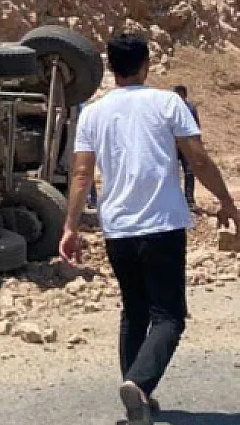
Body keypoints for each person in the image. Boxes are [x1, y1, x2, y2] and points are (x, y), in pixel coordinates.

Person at [59, 32, 237, 425]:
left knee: (134, 311)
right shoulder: (168, 102)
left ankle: (137, 393)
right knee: (170, 315)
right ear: (146, 64)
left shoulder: (93, 112)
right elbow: (199, 160)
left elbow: (82, 174)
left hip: (118, 228)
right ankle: (138, 383)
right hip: (162, 224)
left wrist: (70, 227)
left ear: (110, 67)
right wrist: (227, 202)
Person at [172, 85, 201, 208]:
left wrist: (197, 146)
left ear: (184, 96)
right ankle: (174, 199)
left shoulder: (190, 108)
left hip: (188, 146)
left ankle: (189, 201)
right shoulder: (169, 109)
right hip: (173, 146)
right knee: (171, 172)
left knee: (189, 172)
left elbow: (196, 128)